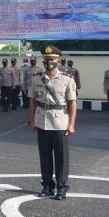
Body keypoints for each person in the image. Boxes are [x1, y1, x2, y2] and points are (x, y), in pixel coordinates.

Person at [29, 45, 77, 200]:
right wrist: (32, 121)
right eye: (47, 59)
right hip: (42, 121)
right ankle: (47, 185)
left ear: (59, 60)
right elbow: (32, 101)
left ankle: (62, 187)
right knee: (45, 157)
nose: (49, 61)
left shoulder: (67, 80)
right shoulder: (36, 79)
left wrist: (71, 124)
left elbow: (72, 103)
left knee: (61, 157)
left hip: (60, 123)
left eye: (52, 59)